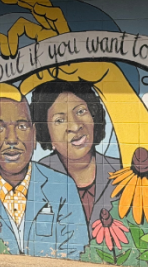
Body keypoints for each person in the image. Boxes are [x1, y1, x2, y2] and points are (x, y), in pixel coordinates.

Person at [0, 97, 89, 259]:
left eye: (21, 126)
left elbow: (77, 253)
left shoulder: (62, 187)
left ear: (33, 134)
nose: (11, 139)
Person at [31, 81, 121, 228]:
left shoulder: (122, 172)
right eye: (59, 120)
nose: (75, 126)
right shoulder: (36, 178)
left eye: (80, 111)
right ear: (46, 131)